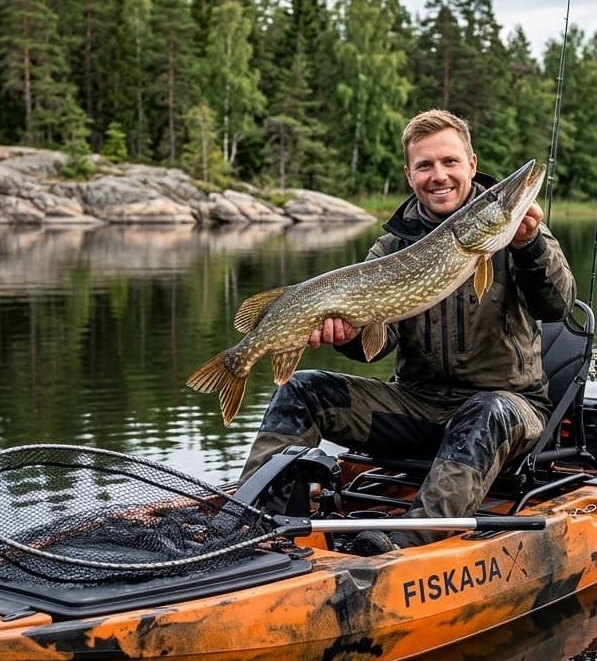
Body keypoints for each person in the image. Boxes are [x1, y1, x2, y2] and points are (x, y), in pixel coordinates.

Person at [239, 108, 576, 554]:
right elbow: (380, 342)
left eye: (450, 162)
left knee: (486, 410)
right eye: (425, 165)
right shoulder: (392, 247)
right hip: (416, 407)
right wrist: (348, 337)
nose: (439, 175)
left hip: (509, 410)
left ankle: (405, 544)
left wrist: (529, 245)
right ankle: (250, 525)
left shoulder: (517, 231)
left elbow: (558, 305)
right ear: (409, 174)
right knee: (302, 390)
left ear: (471, 164)